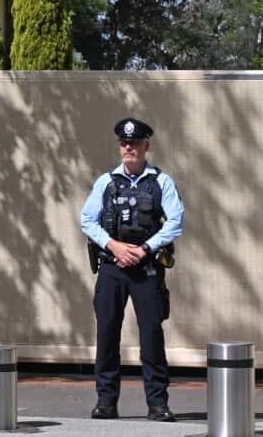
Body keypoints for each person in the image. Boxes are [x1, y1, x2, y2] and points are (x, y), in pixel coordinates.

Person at [79, 117, 184, 422]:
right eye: (124, 143)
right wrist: (113, 246)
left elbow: (176, 221)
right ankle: (106, 403)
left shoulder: (161, 182)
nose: (129, 148)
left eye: (135, 143)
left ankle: (158, 404)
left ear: (145, 146)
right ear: (120, 147)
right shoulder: (106, 182)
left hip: (146, 269)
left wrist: (144, 249)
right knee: (107, 334)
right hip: (112, 269)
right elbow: (88, 220)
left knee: (151, 334)